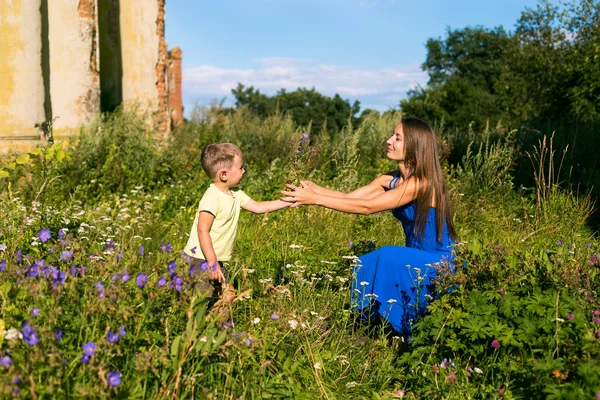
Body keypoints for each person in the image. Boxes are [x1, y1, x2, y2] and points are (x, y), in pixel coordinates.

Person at [280, 117, 458, 336]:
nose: (388, 140)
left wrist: (315, 199)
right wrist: (316, 190)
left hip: (439, 261)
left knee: (385, 257)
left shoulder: (421, 183)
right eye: (392, 135)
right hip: (416, 257)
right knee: (366, 262)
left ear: (414, 146)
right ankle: (367, 324)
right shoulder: (390, 179)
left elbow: (367, 207)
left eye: (397, 138)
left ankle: (367, 327)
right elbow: (351, 198)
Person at [184, 143, 290, 308]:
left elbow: (259, 207)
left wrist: (288, 201)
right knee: (201, 300)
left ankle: (215, 329)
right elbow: (202, 230)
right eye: (240, 167)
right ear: (224, 174)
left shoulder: (236, 195)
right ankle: (197, 330)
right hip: (200, 259)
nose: (243, 171)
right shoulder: (212, 197)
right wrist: (213, 264)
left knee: (228, 295)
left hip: (214, 259)